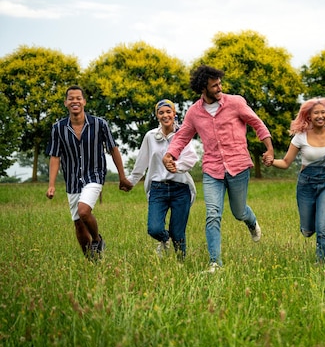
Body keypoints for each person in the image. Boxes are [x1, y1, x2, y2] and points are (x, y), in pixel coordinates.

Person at [163, 65, 274, 273]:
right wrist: (170, 155)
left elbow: (257, 123)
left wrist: (269, 148)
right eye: (214, 85)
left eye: (220, 83)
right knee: (212, 214)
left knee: (239, 211)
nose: (219, 87)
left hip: (238, 165)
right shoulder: (194, 113)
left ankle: (251, 222)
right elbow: (182, 136)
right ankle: (215, 263)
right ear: (203, 89)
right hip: (212, 170)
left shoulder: (236, 103)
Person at [46, 85, 132, 260]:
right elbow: (55, 156)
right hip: (72, 180)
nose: (75, 101)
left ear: (84, 101)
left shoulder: (100, 124)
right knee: (78, 224)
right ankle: (91, 261)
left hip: (94, 175)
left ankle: (97, 240)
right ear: (66, 103)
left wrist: (122, 176)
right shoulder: (58, 128)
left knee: (84, 211)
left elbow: (113, 149)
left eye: (78, 98)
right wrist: (51, 185)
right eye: (71, 98)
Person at [267, 97, 325, 263]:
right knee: (307, 230)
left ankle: (322, 263)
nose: (320, 116)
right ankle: (308, 228)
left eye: (323, 112)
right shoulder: (300, 137)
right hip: (306, 185)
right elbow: (285, 163)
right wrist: (271, 162)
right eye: (316, 113)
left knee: (323, 228)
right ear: (309, 116)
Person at [128, 99, 198, 261]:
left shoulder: (183, 134)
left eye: (168, 112)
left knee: (178, 232)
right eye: (161, 112)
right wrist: (131, 181)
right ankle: (164, 239)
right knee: (154, 229)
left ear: (174, 114)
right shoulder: (150, 136)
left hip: (180, 189)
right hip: (158, 189)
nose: (165, 115)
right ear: (157, 116)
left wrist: (177, 166)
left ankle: (181, 263)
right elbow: (141, 162)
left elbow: (191, 157)